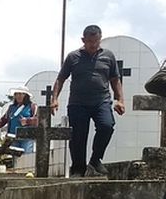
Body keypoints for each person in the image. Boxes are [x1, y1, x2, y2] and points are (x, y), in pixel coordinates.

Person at [51, 24, 125, 177]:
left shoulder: (108, 56)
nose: (93, 45)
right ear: (83, 40)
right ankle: (78, 168)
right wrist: (55, 99)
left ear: (100, 39)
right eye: (90, 41)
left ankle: (95, 160)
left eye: (96, 41)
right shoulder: (73, 57)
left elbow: (115, 79)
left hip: (101, 101)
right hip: (78, 103)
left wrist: (120, 99)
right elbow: (61, 78)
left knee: (107, 126)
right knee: (78, 136)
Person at [0, 87, 37, 154]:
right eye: (17, 94)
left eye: (21, 94)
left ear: (26, 96)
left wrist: (27, 121)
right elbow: (3, 120)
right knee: (15, 158)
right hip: (13, 137)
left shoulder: (32, 107)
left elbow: (38, 120)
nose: (19, 96)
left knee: (26, 157)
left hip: (26, 138)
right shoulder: (11, 108)